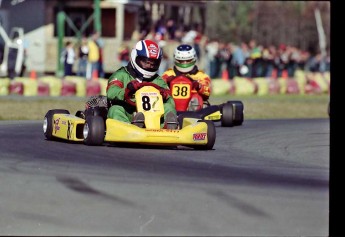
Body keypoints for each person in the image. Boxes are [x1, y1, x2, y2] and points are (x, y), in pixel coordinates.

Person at [106, 39, 178, 129]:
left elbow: (170, 100)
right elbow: (111, 92)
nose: (149, 66)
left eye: (153, 63)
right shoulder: (121, 74)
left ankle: (167, 128)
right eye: (146, 62)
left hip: (154, 115)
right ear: (135, 56)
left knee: (168, 107)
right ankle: (129, 128)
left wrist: (165, 94)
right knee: (115, 109)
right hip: (129, 113)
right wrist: (126, 91)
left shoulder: (158, 80)